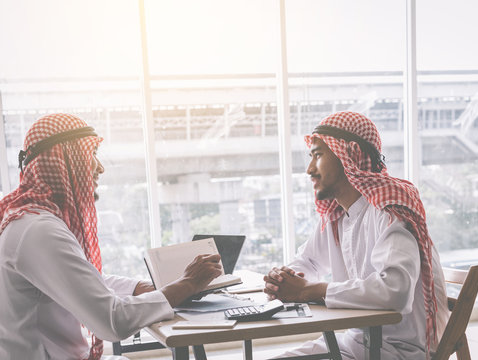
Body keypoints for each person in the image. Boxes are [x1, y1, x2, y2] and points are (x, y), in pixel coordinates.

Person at [0, 113, 222, 360]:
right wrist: (187, 284)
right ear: (64, 160)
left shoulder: (31, 220)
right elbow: (112, 322)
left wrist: (144, 288)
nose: (100, 167)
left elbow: (82, 281)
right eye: (92, 154)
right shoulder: (38, 230)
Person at [264, 111, 450, 359]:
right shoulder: (337, 215)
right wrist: (283, 280)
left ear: (350, 155)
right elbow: (308, 262)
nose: (310, 170)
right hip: (354, 342)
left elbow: (395, 290)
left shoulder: (390, 211)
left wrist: (309, 290)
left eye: (318, 155)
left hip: (397, 352)